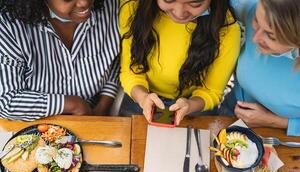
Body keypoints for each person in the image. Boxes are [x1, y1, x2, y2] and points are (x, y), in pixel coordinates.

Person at [119, 0, 241, 125]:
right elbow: (131, 71)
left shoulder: (227, 29)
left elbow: (211, 91)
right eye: (168, 0)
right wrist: (143, 98)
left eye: (195, 4)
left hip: (195, 106)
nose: (180, 13)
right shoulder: (133, 7)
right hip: (139, 96)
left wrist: (190, 105)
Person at [0, 0, 120, 121]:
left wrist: (103, 106)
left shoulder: (112, 7)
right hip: (38, 126)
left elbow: (116, 57)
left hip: (97, 116)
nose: (84, 3)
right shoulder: (8, 26)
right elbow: (5, 101)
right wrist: (74, 105)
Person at [219, 0, 300, 136]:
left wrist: (275, 121)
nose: (255, 38)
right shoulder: (256, 9)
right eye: (256, 21)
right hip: (231, 111)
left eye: (271, 36)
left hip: (284, 137)